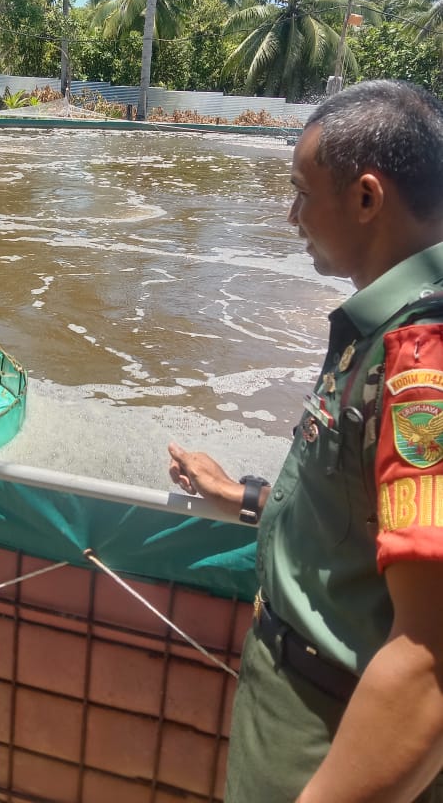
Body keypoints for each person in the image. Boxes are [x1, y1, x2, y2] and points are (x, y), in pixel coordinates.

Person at [168, 79, 443, 803]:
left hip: (333, 731)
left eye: (300, 191)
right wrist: (251, 497)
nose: (291, 217)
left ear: (366, 199)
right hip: (301, 699)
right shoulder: (387, 328)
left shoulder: (423, 364)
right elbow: (366, 510)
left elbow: (430, 653)